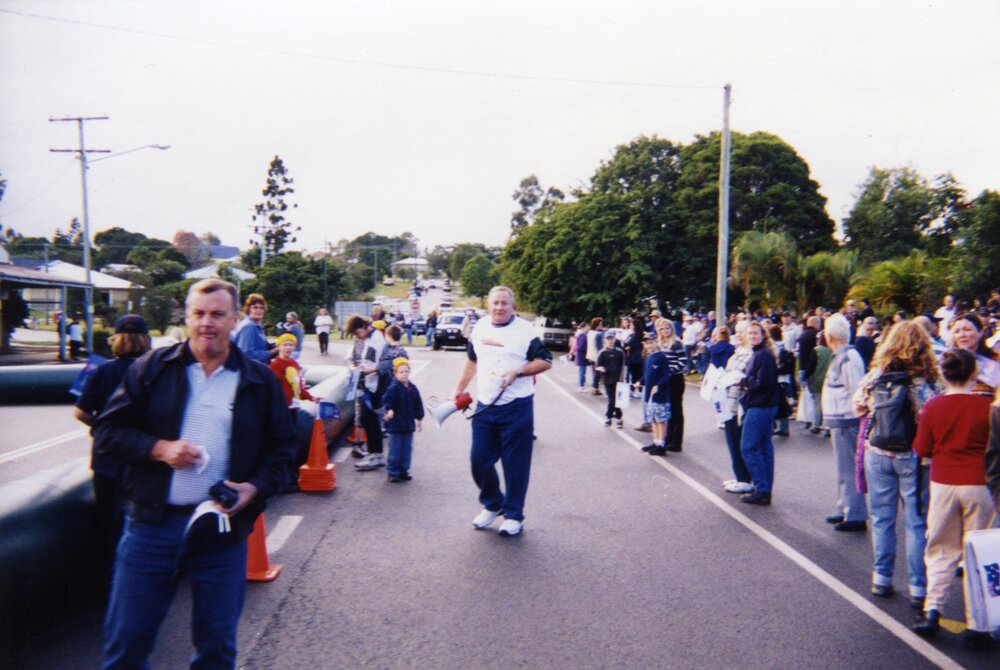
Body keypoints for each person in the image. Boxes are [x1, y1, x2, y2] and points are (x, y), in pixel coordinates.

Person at [93, 279, 297, 669]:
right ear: (186, 317)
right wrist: (160, 449)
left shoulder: (259, 381)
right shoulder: (152, 368)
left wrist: (253, 489)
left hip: (221, 529)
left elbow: (283, 452)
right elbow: (108, 431)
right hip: (151, 524)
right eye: (199, 314)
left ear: (234, 319)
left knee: (216, 648)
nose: (207, 323)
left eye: (218, 314)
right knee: (127, 643)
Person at [911, 349, 997, 648]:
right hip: (978, 482)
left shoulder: (932, 407)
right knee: (976, 553)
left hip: (943, 481)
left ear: (943, 374)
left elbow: (922, 448)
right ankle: (978, 624)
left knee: (940, 547)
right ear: (974, 373)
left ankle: (932, 610)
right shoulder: (987, 408)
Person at [453, 286, 552, 537]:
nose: (499, 308)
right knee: (479, 460)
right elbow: (473, 360)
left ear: (513, 306)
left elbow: (546, 361)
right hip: (485, 406)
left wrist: (518, 371)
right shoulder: (480, 327)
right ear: (488, 305)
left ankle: (513, 515)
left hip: (516, 407)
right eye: (495, 303)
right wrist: (459, 387)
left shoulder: (526, 331)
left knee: (515, 465)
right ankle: (493, 503)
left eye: (504, 304)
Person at [854, 321, 939, 606]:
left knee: (881, 518)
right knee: (916, 522)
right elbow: (936, 414)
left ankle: (882, 577)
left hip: (877, 453)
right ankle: (918, 587)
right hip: (915, 457)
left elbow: (857, 404)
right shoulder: (926, 382)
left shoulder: (877, 375)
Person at [73, 314, 152, 587]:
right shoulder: (153, 370)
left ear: (115, 339)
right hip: (143, 458)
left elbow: (80, 411)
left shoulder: (100, 371)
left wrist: (101, 427)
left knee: (108, 521)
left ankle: (110, 581)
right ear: (146, 339)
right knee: (141, 521)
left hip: (106, 459)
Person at [821, 314, 869, 532]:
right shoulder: (841, 356)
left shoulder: (848, 358)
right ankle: (843, 507)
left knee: (849, 468)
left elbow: (856, 392)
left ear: (829, 336)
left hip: (846, 421)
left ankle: (855, 513)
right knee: (842, 468)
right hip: (839, 421)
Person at [738, 321, 782, 505]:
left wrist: (744, 382)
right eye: (750, 333)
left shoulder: (762, 355)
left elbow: (763, 382)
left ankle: (762, 488)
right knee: (764, 448)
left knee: (748, 447)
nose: (752, 336)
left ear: (763, 335)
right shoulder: (761, 353)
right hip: (766, 405)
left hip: (760, 405)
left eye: (756, 333)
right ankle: (764, 489)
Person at [345, 314, 388, 471]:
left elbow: (384, 362)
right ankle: (374, 453)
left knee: (371, 419)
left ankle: (376, 454)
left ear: (364, 327)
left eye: (357, 333)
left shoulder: (378, 339)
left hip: (375, 385)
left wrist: (371, 370)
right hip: (366, 383)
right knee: (367, 419)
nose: (358, 337)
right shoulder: (368, 338)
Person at [717, 323, 754, 493]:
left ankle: (745, 479)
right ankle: (740, 476)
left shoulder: (750, 353)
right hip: (728, 402)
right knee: (732, 440)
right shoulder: (738, 351)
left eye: (742, 332)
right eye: (737, 332)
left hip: (739, 404)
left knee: (739, 440)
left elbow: (741, 376)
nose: (738, 335)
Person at [381, 357, 424, 483]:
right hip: (396, 425)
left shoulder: (412, 388)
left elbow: (418, 404)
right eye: (401, 372)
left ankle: (404, 470)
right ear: (395, 374)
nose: (404, 374)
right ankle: (393, 471)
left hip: (408, 425)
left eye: (406, 371)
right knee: (395, 449)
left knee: (407, 449)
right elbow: (387, 401)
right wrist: (389, 410)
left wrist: (419, 418)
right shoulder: (393, 388)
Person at [656, 318, 687, 452]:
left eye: (668, 328)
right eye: (662, 328)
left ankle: (676, 442)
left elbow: (683, 362)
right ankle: (667, 437)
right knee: (668, 410)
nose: (665, 331)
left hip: (675, 379)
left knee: (676, 410)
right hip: (665, 379)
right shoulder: (661, 343)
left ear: (672, 329)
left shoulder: (676, 343)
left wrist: (670, 371)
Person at [949, 313, 1000, 395]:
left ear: (980, 332)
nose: (962, 335)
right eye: (957, 331)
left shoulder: (995, 360)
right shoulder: (949, 363)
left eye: (967, 330)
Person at [269, 333, 314, 407]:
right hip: (281, 407)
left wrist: (311, 398)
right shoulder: (274, 365)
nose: (288, 347)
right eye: (285, 345)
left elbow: (297, 385)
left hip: (294, 406)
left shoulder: (294, 363)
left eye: (291, 345)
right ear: (278, 347)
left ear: (294, 347)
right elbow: (271, 389)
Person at [770, 324, 796, 437]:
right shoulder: (785, 345)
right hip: (785, 378)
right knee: (783, 402)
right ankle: (783, 427)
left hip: (776, 378)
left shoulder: (772, 347)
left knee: (773, 402)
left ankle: (774, 426)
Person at [233, 294, 276, 364]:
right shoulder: (249, 326)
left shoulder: (256, 325)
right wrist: (271, 352)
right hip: (250, 371)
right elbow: (246, 354)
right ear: (249, 309)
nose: (258, 310)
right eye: (255, 307)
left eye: (261, 308)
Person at [595, 331, 625, 428]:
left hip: (618, 379)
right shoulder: (603, 352)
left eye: (612, 338)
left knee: (618, 400)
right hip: (607, 380)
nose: (610, 341)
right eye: (608, 339)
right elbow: (598, 365)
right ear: (605, 340)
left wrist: (623, 378)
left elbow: (623, 366)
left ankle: (617, 417)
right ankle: (611, 417)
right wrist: (601, 369)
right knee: (612, 400)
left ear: (615, 339)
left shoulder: (620, 352)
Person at [586, 317, 604, 394]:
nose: (602, 325)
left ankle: (595, 387)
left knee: (594, 372)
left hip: (590, 354)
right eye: (601, 324)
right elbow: (599, 347)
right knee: (598, 373)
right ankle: (595, 388)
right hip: (596, 356)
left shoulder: (589, 333)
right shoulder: (598, 334)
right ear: (598, 324)